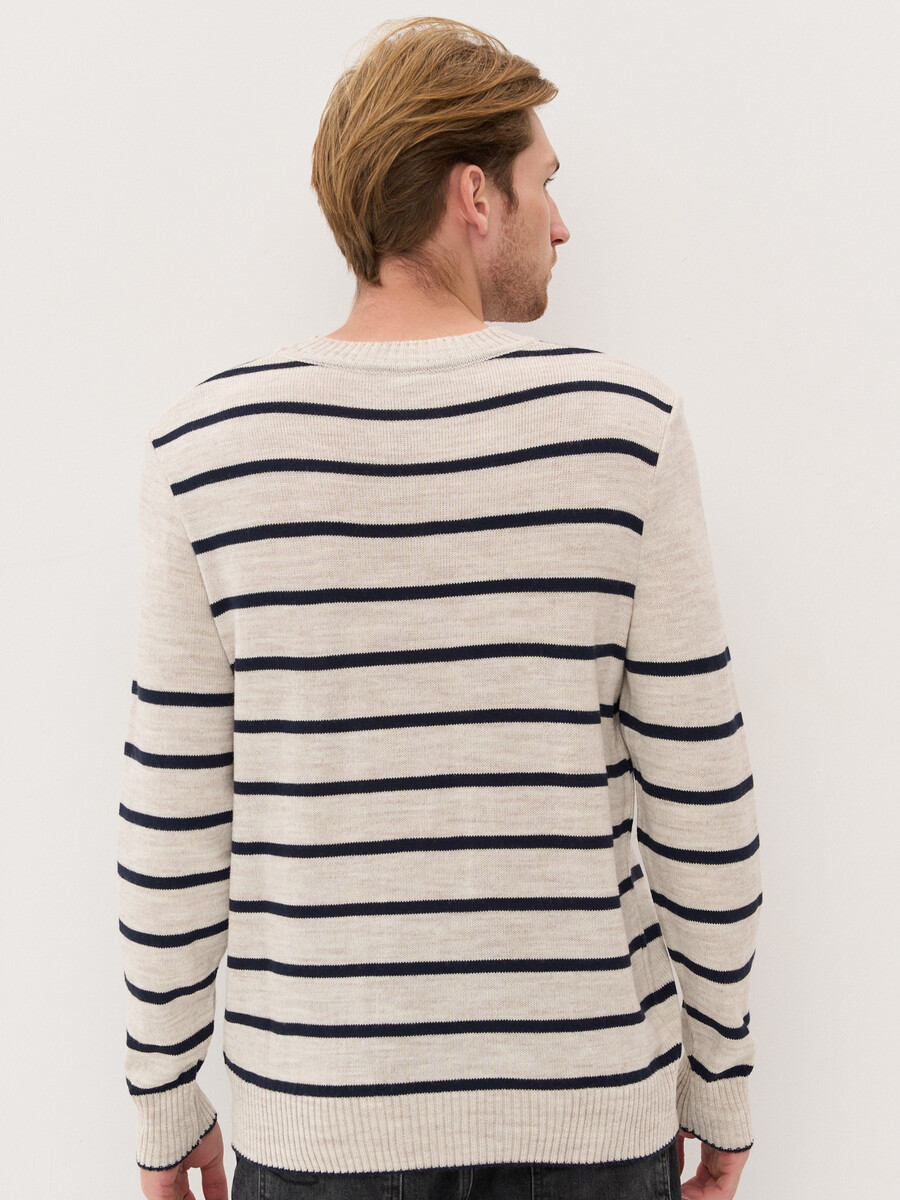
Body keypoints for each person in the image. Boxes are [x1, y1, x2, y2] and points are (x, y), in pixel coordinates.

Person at [118, 16, 762, 1200]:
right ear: (475, 195)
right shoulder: (624, 430)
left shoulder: (207, 451)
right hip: (585, 1119)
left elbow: (173, 825)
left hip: (319, 1127)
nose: (559, 224)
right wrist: (720, 1076)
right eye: (543, 183)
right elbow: (702, 805)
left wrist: (165, 1107)